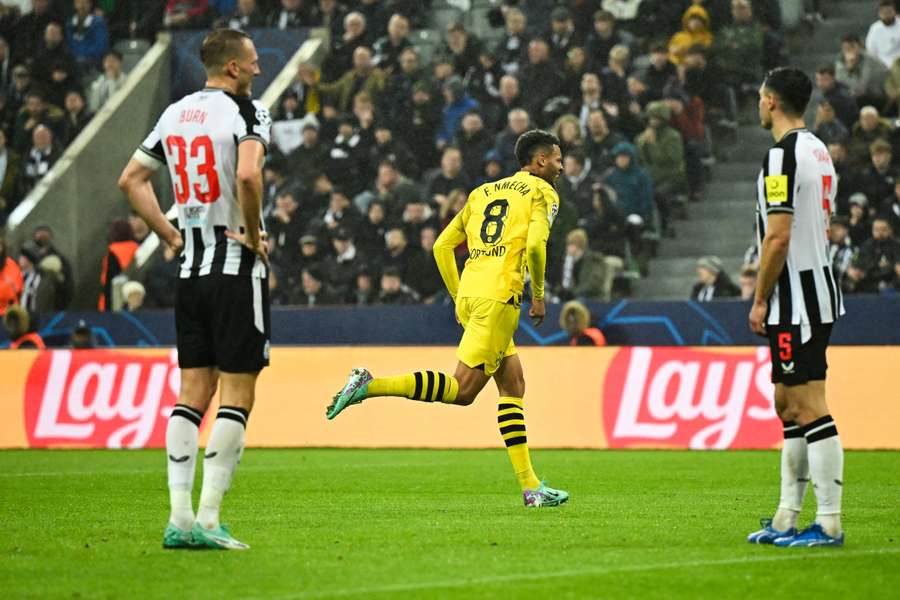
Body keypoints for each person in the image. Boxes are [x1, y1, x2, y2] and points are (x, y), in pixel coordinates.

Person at [326, 130, 569, 508]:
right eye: (556, 158)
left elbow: (442, 245)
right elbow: (536, 245)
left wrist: (458, 297)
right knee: (463, 390)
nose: (561, 165)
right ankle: (369, 385)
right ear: (539, 162)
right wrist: (537, 295)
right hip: (500, 295)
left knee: (512, 382)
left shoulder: (482, 192)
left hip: (473, 290)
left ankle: (531, 485)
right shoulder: (543, 192)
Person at [118, 28, 272, 551]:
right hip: (234, 267)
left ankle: (178, 519)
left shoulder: (175, 113)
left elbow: (131, 180)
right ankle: (209, 519)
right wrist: (253, 234)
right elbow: (249, 176)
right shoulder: (248, 114)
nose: (256, 70)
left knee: (191, 395)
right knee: (238, 395)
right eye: (252, 62)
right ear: (233, 67)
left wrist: (169, 234)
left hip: (191, 270)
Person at [747, 67, 845, 548]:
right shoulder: (818, 150)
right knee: (786, 402)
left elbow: (779, 235)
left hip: (796, 298)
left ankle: (828, 522)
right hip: (815, 289)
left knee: (807, 404)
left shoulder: (782, 156)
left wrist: (761, 295)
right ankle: (787, 516)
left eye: (761, 97)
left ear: (770, 101)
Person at [866, 0, 900, 68]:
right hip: (881, 65)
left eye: (889, 12)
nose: (887, 15)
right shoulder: (874, 28)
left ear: (894, 12)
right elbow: (871, 51)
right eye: (884, 13)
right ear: (879, 14)